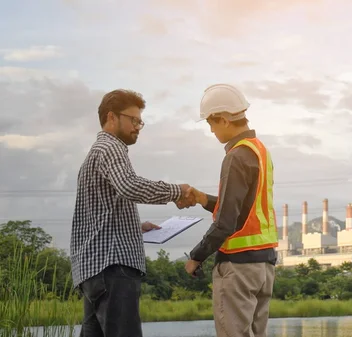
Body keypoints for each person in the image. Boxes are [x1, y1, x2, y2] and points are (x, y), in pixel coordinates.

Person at [70, 89, 199, 337]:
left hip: (93, 272)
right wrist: (177, 191)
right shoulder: (111, 148)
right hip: (113, 269)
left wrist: (136, 228)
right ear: (112, 117)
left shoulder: (95, 154)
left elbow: (96, 217)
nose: (138, 126)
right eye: (134, 119)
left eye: (141, 121)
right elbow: (130, 186)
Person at [184, 83, 278, 337]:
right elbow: (243, 210)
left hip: (238, 269)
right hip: (263, 267)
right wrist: (205, 200)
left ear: (224, 120)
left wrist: (196, 256)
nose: (212, 131)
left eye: (211, 125)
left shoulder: (236, 156)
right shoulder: (259, 151)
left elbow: (227, 222)